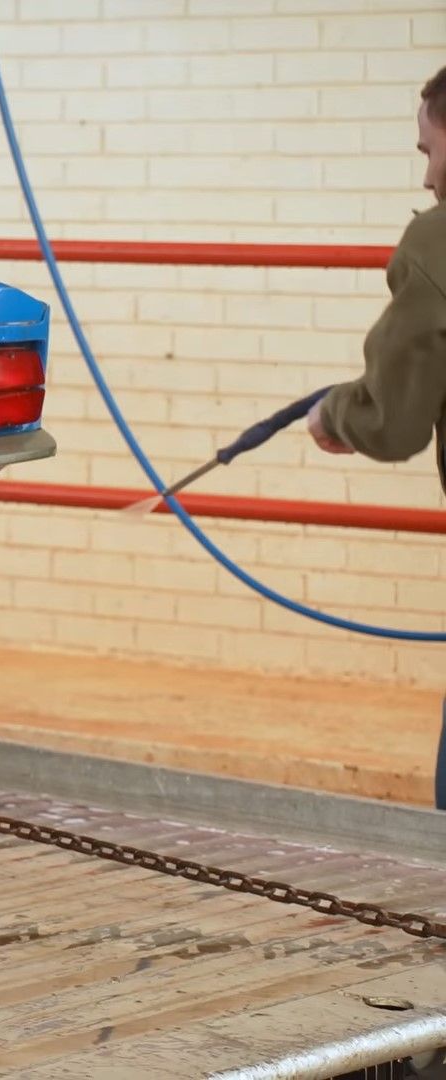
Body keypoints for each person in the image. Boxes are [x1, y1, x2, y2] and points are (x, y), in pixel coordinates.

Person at [307, 65, 446, 808]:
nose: (426, 175)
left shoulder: (439, 236)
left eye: (428, 149)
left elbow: (395, 424)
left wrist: (336, 415)